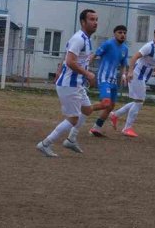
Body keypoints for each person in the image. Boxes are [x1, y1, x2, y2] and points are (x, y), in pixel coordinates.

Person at [36, 9, 111, 157]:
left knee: (87, 110)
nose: (95, 22)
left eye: (96, 19)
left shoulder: (86, 39)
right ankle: (45, 144)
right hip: (69, 85)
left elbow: (69, 58)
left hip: (77, 84)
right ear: (83, 22)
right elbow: (70, 61)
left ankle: (71, 139)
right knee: (73, 118)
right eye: (91, 19)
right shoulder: (80, 39)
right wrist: (88, 74)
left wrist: (61, 70)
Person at [109, 26, 155, 137]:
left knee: (138, 101)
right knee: (140, 101)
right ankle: (127, 128)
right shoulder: (149, 46)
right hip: (137, 76)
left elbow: (153, 63)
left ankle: (115, 115)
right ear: (154, 35)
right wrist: (130, 72)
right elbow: (134, 57)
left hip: (142, 77)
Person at [89, 25, 129, 137]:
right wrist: (86, 70)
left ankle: (96, 128)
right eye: (120, 32)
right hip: (103, 77)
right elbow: (95, 55)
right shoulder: (108, 44)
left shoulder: (125, 49)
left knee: (111, 106)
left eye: (124, 33)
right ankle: (85, 109)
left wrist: (123, 75)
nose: (122, 35)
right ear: (115, 34)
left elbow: (123, 65)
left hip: (113, 80)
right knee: (105, 103)